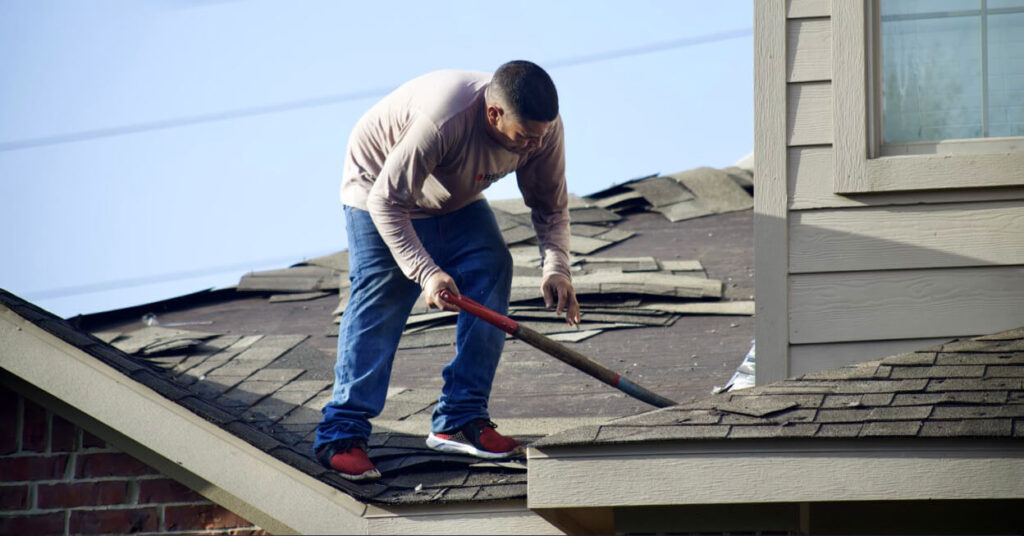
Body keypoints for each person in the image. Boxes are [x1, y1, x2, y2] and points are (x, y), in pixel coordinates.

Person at [314, 60, 581, 481]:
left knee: (492, 265)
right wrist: (425, 271)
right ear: (494, 115)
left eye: (540, 136)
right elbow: (388, 202)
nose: (533, 146)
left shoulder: (542, 130)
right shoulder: (443, 120)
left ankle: (460, 418)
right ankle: (341, 434)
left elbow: (550, 206)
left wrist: (557, 268)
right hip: (378, 191)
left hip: (451, 197)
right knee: (383, 293)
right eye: (525, 137)